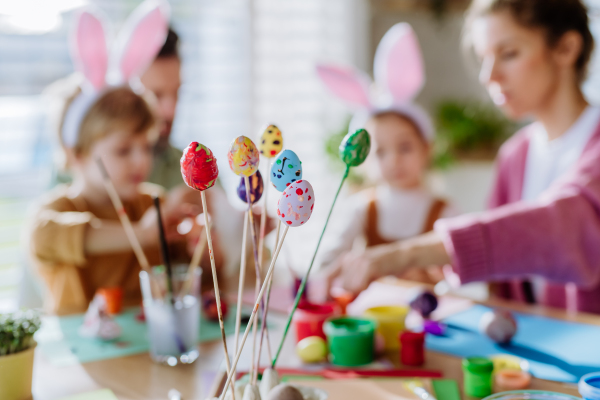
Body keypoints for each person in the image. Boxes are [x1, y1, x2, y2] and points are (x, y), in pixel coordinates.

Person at [326, 0, 600, 314]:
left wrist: (406, 254)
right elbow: (501, 274)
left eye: (508, 54)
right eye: (484, 59)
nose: (489, 75)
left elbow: (560, 227)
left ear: (566, 48)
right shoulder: (515, 156)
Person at [316, 23, 458, 284]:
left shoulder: (446, 213)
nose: (394, 160)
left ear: (427, 149)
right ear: (363, 161)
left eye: (405, 147)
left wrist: (433, 274)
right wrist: (340, 272)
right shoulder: (360, 209)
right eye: (380, 152)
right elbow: (326, 263)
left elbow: (461, 274)